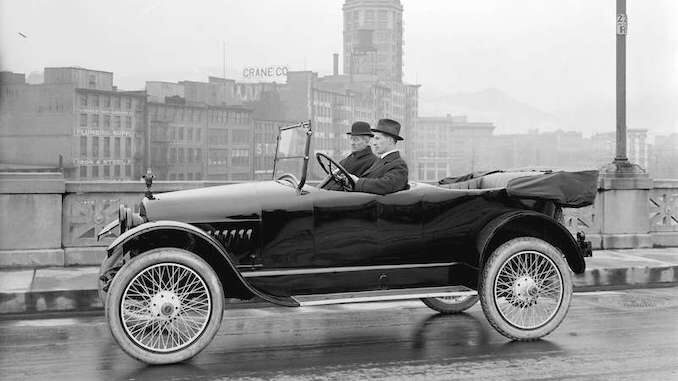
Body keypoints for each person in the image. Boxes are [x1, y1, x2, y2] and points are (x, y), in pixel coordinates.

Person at [348, 118, 408, 195]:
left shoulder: (399, 164)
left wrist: (357, 181)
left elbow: (386, 185)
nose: (374, 143)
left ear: (390, 140)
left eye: (377, 139)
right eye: (374, 139)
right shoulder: (381, 160)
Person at [323, 121, 377, 190]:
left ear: (367, 141)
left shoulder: (373, 162)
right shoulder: (348, 159)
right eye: (351, 139)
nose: (352, 143)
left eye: (356, 140)